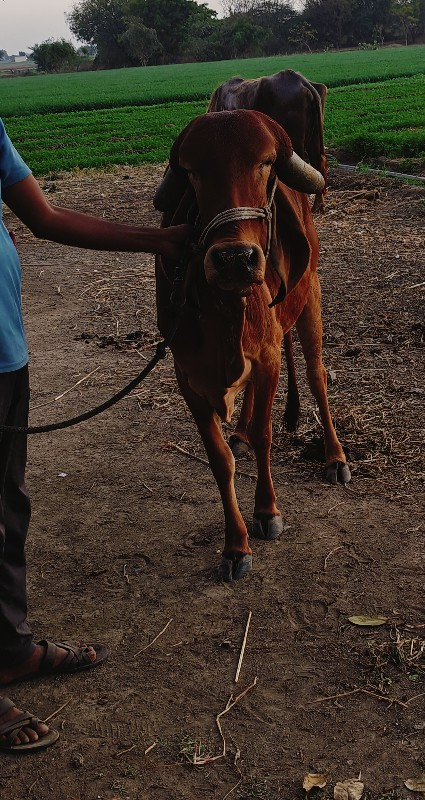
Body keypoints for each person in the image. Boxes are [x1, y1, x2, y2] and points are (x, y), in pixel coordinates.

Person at [0, 117, 189, 753]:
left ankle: (10, 650)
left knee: (6, 510)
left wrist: (159, 240)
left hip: (4, 356)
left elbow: (45, 218)